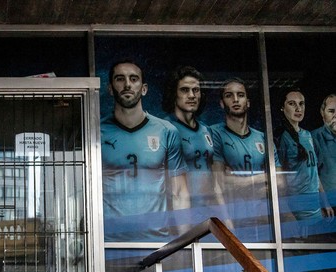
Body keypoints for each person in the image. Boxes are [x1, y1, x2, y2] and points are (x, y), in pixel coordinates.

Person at [100, 59, 189, 241]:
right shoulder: (96, 133)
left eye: (133, 79)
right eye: (120, 79)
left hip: (157, 241)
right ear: (110, 88)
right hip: (108, 243)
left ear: (144, 88)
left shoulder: (167, 131)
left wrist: (184, 244)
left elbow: (179, 192)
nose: (127, 85)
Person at [162, 66, 229, 227]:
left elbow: (215, 183)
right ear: (174, 94)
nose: (192, 95)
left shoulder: (206, 130)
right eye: (185, 90)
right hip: (180, 213)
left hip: (208, 213)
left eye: (196, 90)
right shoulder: (165, 128)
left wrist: (226, 220)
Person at [210, 78, 276, 241]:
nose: (235, 99)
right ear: (221, 103)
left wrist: (238, 181)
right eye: (229, 95)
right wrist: (262, 178)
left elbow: (280, 182)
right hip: (233, 218)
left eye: (240, 95)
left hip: (263, 220)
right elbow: (220, 182)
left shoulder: (263, 137)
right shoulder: (214, 134)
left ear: (248, 102)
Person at [276, 88, 333, 237]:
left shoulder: (307, 135)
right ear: (283, 108)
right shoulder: (282, 138)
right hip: (299, 206)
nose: (298, 108)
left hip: (315, 205)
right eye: (292, 104)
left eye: (301, 104)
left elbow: (314, 172)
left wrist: (324, 201)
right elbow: (281, 180)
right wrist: (288, 214)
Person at [312, 94, 336, 207]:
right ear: (322, 113)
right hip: (329, 206)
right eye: (331, 111)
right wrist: (324, 204)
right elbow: (312, 176)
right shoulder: (313, 138)